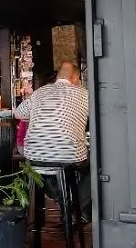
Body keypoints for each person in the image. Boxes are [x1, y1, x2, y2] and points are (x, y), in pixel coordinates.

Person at [15, 61, 90, 214]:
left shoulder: (39, 92)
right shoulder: (84, 94)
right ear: (75, 78)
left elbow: (18, 114)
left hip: (34, 156)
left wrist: (38, 115)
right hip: (68, 156)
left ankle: (63, 201)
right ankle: (76, 207)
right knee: (99, 165)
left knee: (51, 168)